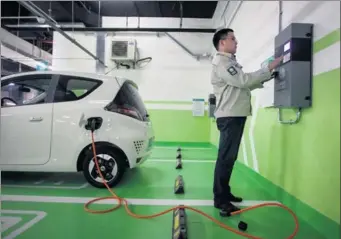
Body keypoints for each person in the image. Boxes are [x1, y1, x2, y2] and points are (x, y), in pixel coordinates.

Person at [210, 28, 283, 215]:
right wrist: (268, 68)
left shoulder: (229, 62)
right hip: (230, 115)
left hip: (234, 114)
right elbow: (243, 81)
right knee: (226, 158)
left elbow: (240, 85)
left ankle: (224, 192)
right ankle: (220, 199)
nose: (236, 42)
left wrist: (267, 76)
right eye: (232, 38)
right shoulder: (222, 62)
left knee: (229, 157)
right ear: (222, 43)